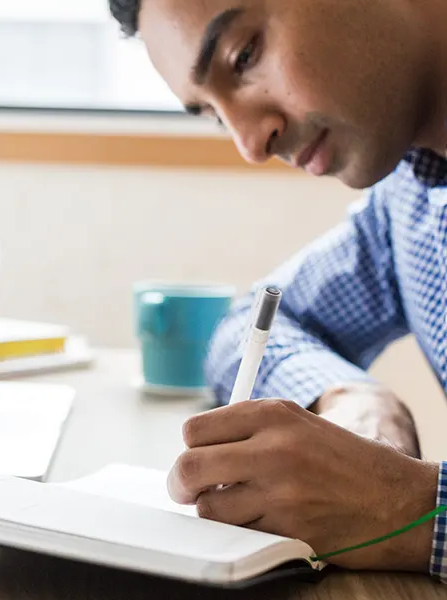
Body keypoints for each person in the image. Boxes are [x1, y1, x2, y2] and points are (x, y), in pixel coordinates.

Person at [108, 0, 447, 580]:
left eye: (244, 56)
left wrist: (409, 506)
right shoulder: (409, 200)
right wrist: (352, 398)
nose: (250, 143)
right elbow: (249, 325)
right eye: (214, 115)